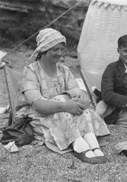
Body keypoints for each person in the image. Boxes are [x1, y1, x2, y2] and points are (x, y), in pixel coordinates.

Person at [14, 28, 110, 164]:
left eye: (61, 49)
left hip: (63, 112)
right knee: (61, 102)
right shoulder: (31, 71)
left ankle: (93, 144)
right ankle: (79, 146)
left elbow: (80, 95)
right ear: (44, 50)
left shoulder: (64, 71)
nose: (60, 53)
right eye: (55, 49)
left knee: (81, 108)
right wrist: (65, 105)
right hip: (35, 116)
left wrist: (78, 102)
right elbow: (37, 105)